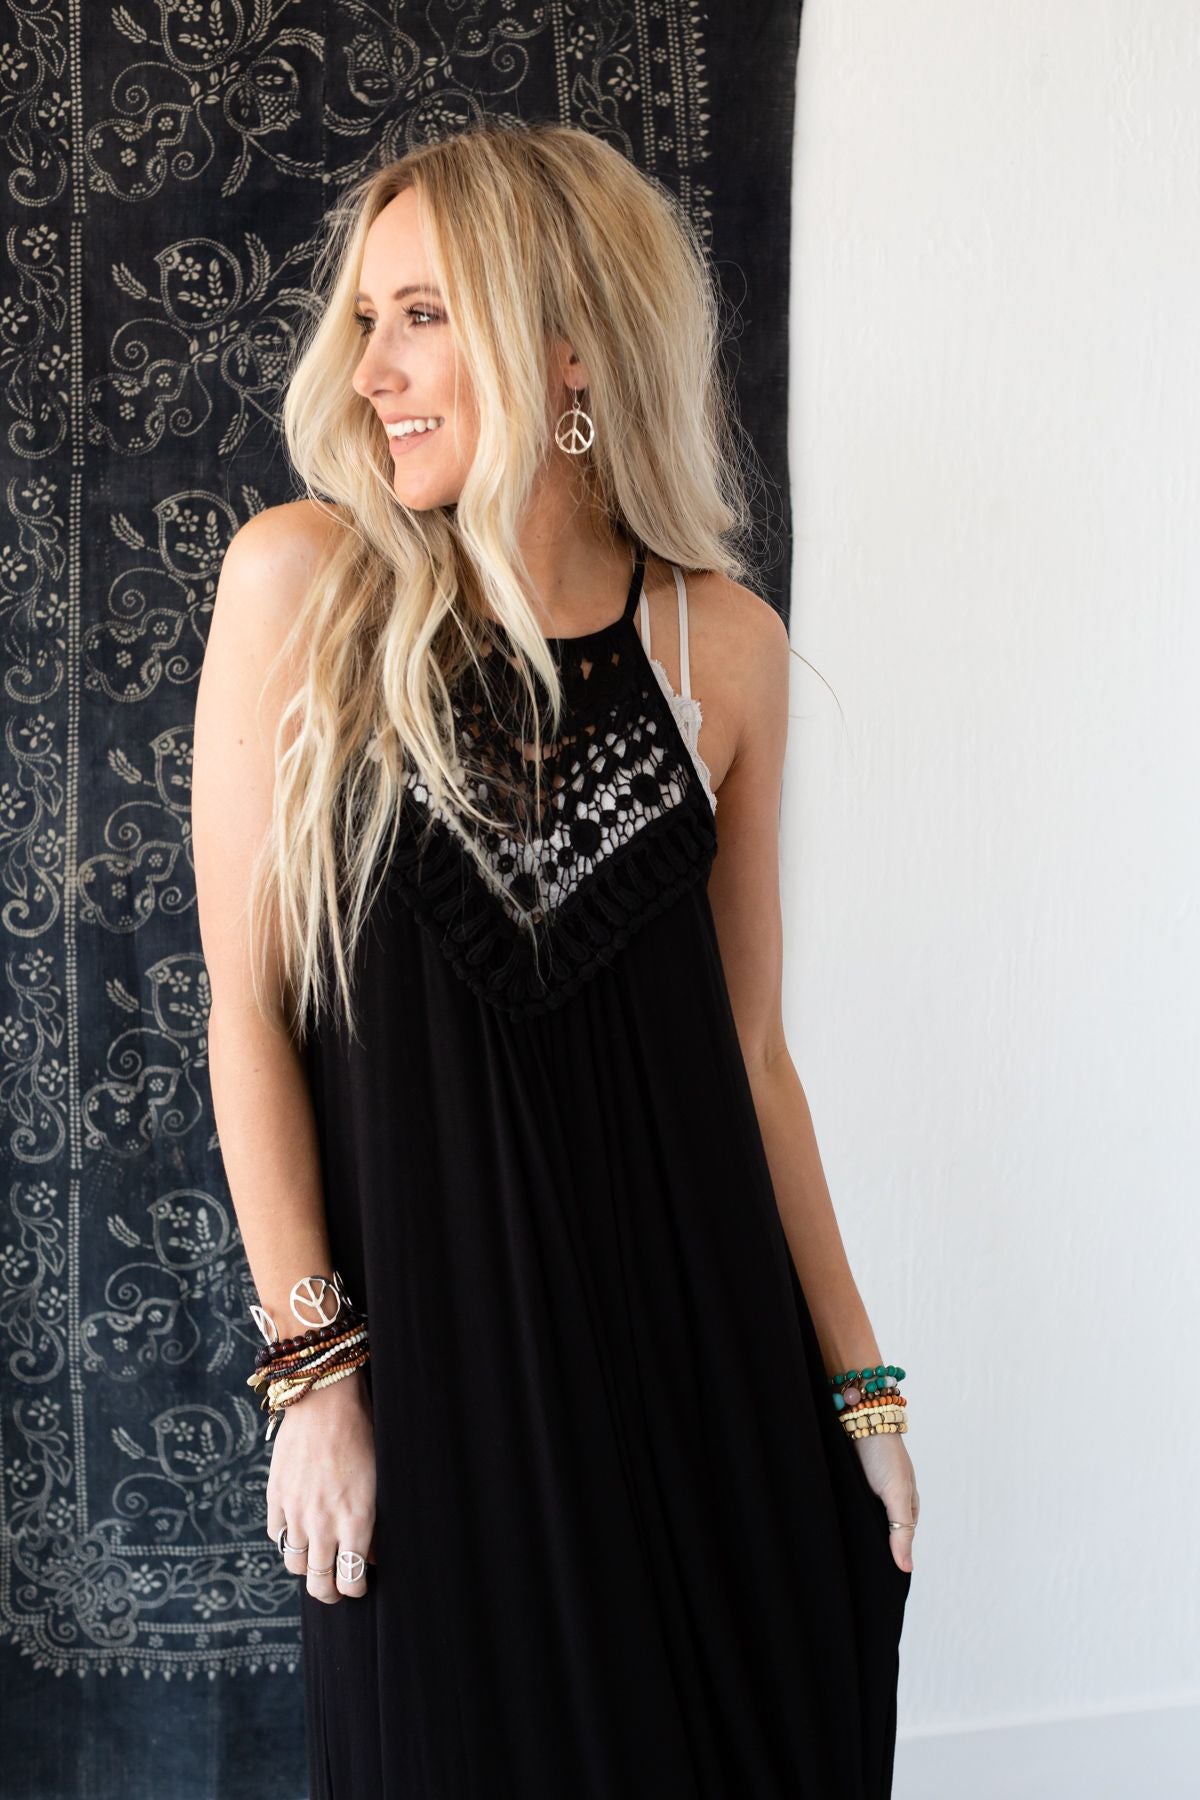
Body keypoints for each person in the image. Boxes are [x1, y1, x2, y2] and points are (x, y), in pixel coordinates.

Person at [194, 119, 918, 1800]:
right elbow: (249, 1016)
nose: (371, 372)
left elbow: (752, 1061)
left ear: (571, 345)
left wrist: (862, 1395)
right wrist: (315, 1382)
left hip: (709, 1390)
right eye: (363, 322)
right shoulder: (302, 588)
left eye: (421, 315)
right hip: (441, 1412)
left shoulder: (720, 647)